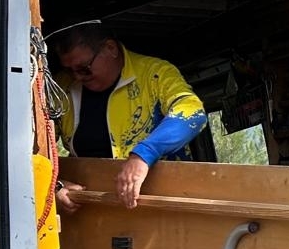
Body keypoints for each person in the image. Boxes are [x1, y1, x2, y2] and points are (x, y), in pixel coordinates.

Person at [50, 22, 208, 210]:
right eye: (69, 70)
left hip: (158, 206)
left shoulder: (155, 74)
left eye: (84, 68)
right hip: (90, 209)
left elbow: (193, 112)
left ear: (110, 48)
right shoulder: (61, 87)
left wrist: (143, 156)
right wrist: (55, 185)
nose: (77, 77)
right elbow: (34, 149)